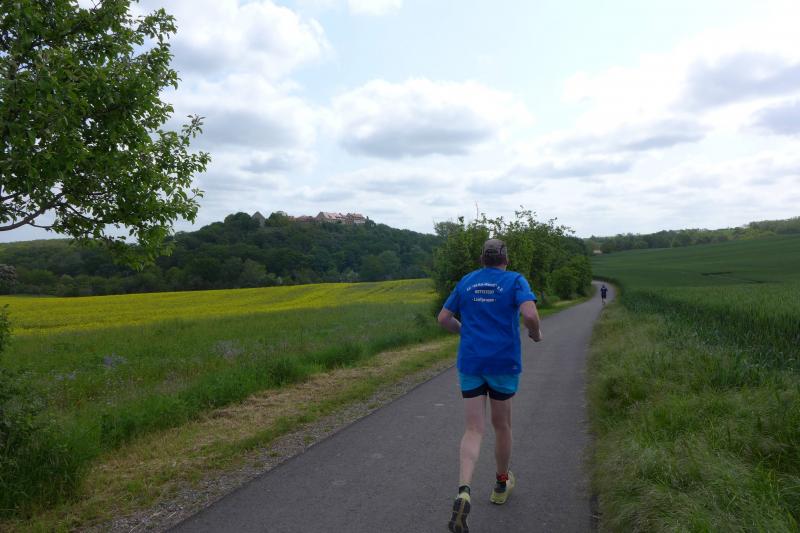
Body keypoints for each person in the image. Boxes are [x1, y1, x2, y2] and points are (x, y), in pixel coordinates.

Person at [437, 238, 542, 533]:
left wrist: (463, 330)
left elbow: (443, 318)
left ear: (482, 259)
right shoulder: (515, 280)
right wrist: (535, 334)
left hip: (471, 362)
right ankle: (500, 484)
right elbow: (530, 314)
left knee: (473, 429)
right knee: (502, 426)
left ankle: (463, 491)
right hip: (502, 364)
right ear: (505, 259)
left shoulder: (467, 281)